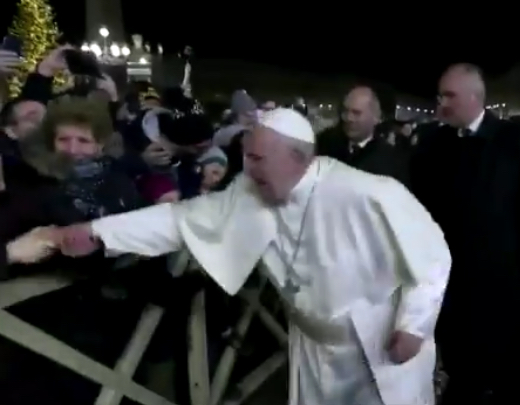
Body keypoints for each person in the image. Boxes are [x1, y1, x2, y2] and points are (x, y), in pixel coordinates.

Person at [57, 108, 451, 405]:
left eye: (258, 158)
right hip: (313, 348)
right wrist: (98, 233)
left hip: (380, 347)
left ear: (298, 158)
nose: (246, 168)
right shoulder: (249, 191)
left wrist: (414, 327)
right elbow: (179, 221)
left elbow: (432, 255)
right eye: (246, 156)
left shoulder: (370, 192)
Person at [411, 63, 520, 405]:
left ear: (475, 97)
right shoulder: (431, 143)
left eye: (450, 95)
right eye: (440, 94)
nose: (441, 102)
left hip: (501, 283)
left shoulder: (512, 142)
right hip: (449, 279)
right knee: (460, 363)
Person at [317, 86, 410, 188]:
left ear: (375, 118)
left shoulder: (391, 161)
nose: (348, 118)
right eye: (345, 111)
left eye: (356, 113)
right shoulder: (325, 143)